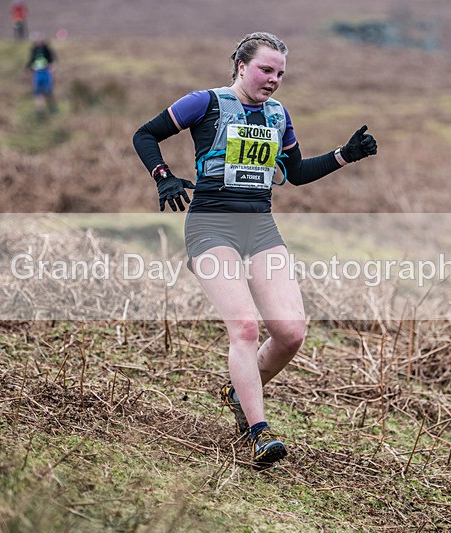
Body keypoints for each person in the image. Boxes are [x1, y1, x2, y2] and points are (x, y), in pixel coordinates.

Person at [132, 32, 377, 469]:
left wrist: (345, 155)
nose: (274, 80)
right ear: (242, 66)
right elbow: (145, 135)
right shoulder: (204, 103)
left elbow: (297, 173)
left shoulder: (278, 115)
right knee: (244, 328)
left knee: (290, 333)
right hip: (211, 225)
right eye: (266, 69)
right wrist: (162, 175)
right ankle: (257, 431)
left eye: (281, 73)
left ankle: (237, 390)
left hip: (260, 227)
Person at [26, 33, 58, 119]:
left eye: (40, 38)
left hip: (46, 72)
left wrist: (51, 69)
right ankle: (39, 111)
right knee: (37, 92)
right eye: (37, 38)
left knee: (48, 91)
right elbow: (31, 61)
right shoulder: (34, 50)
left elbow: (52, 60)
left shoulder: (46, 49)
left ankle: (52, 108)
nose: (39, 40)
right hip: (37, 73)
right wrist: (28, 70)